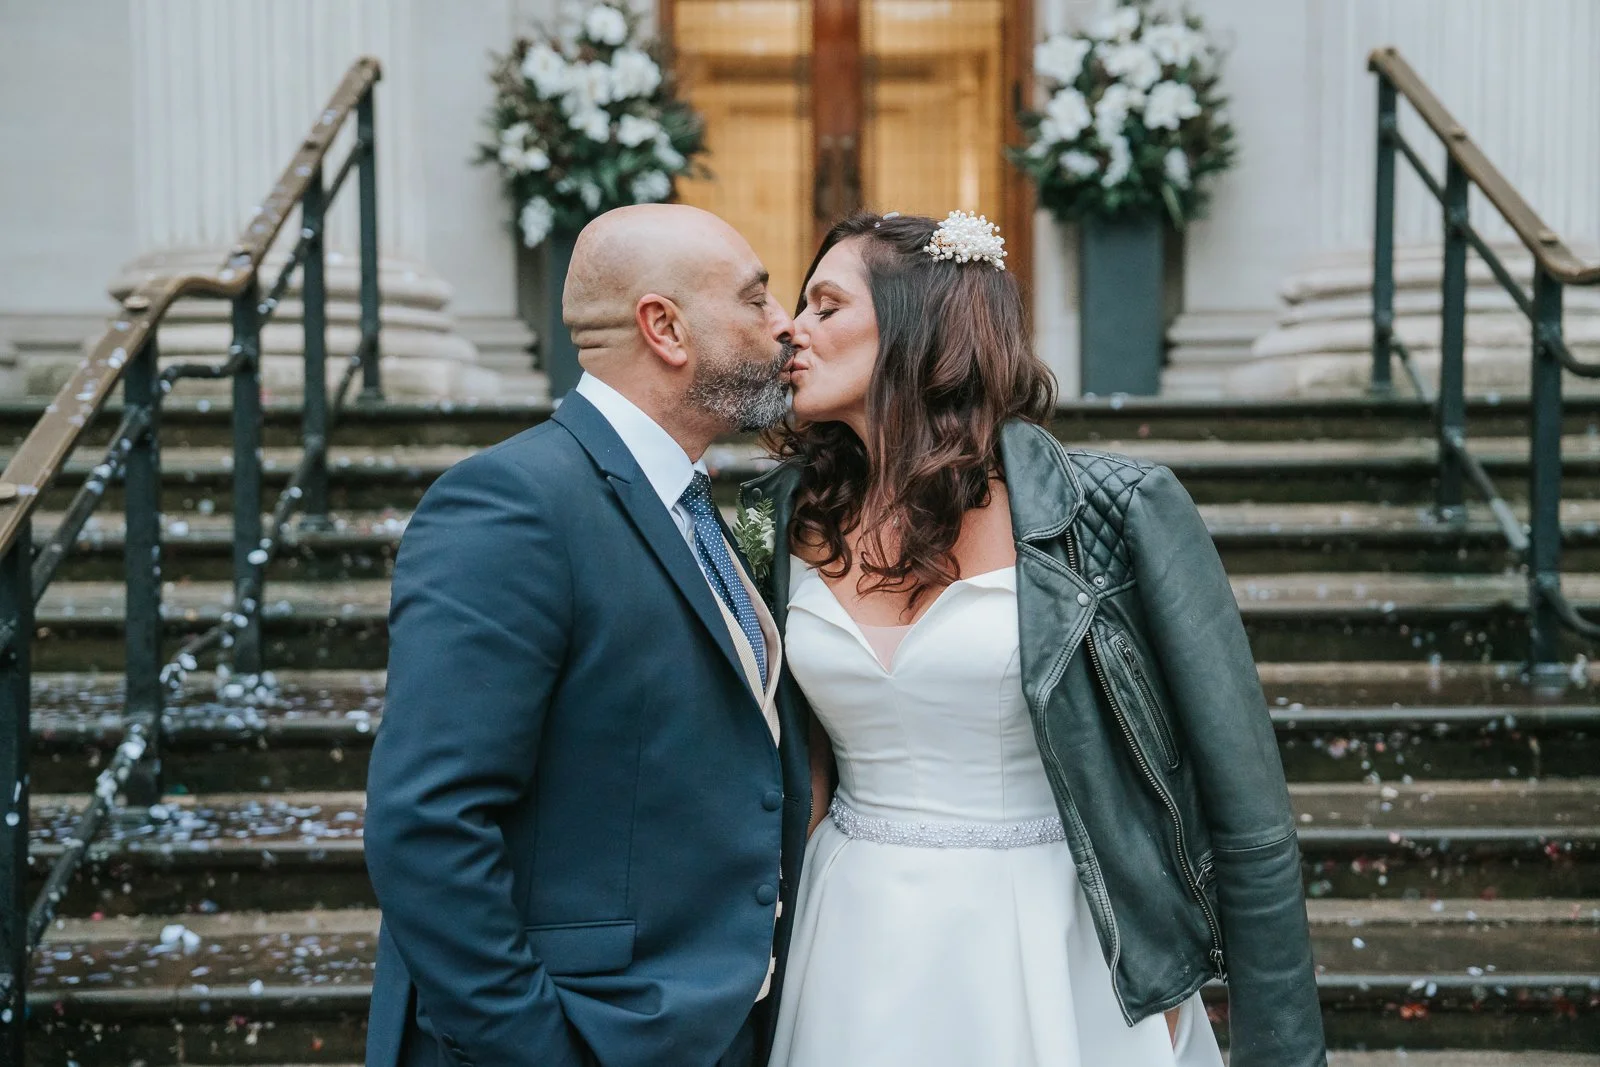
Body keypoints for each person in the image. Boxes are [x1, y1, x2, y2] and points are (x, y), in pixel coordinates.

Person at [741, 211, 1327, 1067]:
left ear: (919, 324)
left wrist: (1276, 1045)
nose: (792, 328)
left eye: (827, 305)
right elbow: (796, 765)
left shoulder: (1115, 512)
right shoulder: (780, 517)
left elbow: (1248, 807)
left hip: (1060, 938)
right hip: (849, 934)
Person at [364, 204, 812, 1067]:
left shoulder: (693, 503)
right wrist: (539, 1046)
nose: (784, 326)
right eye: (757, 300)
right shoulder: (512, 505)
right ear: (666, 327)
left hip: (706, 1026)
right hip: (577, 1031)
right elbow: (428, 822)